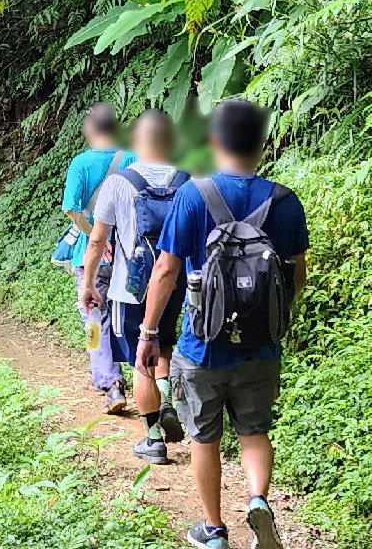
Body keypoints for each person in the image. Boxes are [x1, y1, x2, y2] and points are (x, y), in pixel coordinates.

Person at [139, 99, 308, 549]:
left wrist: (150, 331)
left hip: (202, 345)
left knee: (204, 437)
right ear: (263, 143)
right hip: (261, 347)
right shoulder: (285, 202)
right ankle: (259, 500)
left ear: (213, 142)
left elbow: (166, 271)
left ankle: (213, 530)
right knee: (254, 432)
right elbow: (296, 276)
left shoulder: (193, 194)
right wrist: (274, 326)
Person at [80, 110, 188, 464]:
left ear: (135, 141)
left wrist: (88, 283)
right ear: (170, 141)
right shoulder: (188, 182)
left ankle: (154, 438)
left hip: (130, 288)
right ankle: (167, 399)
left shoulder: (119, 183)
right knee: (164, 343)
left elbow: (97, 241)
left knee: (141, 359)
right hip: (173, 281)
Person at [62, 102, 135, 413]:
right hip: (128, 252)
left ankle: (109, 382)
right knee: (127, 317)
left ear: (88, 129)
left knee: (93, 319)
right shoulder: (131, 157)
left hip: (91, 255)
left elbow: (71, 209)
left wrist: (95, 234)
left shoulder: (81, 163)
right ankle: (150, 383)